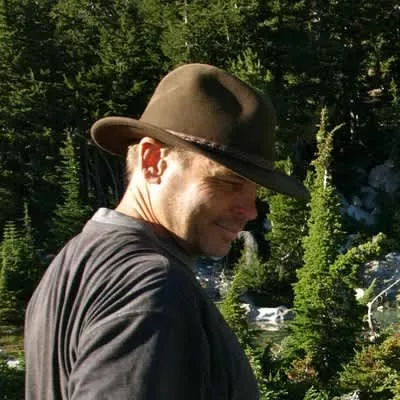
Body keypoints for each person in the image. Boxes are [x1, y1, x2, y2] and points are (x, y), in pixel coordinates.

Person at [24, 63, 308, 399]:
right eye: (228, 182)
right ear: (153, 161)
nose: (250, 210)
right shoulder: (152, 288)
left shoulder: (73, 261)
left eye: (254, 190)